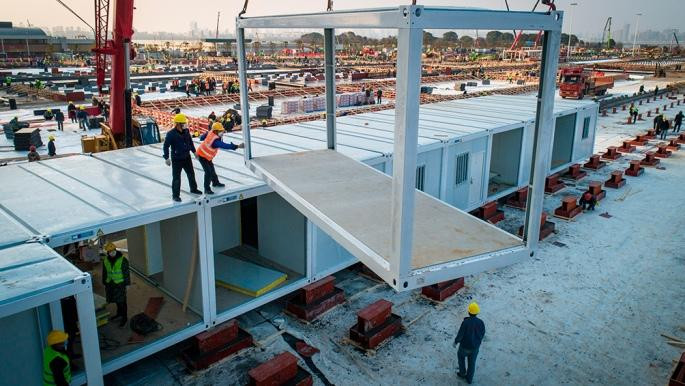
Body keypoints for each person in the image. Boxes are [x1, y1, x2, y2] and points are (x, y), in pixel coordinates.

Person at [163, 113, 202, 202]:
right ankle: (176, 195)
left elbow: (190, 142)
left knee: (191, 174)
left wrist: (194, 152)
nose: (185, 124)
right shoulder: (171, 134)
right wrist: (166, 158)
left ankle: (193, 189)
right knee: (176, 178)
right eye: (183, 123)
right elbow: (166, 146)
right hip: (177, 159)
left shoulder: (186, 131)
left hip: (186, 156)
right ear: (178, 124)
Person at [197, 122, 244, 194]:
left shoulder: (211, 132)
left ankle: (215, 183)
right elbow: (224, 145)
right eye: (220, 131)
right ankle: (207, 189)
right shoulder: (215, 141)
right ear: (216, 131)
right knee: (208, 172)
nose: (222, 132)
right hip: (202, 156)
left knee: (212, 169)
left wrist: (202, 138)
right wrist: (237, 146)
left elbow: (202, 137)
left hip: (206, 156)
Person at [453, 302, 485, 384]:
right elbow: (482, 334)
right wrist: (478, 342)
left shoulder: (465, 322)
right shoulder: (481, 322)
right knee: (472, 364)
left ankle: (462, 373)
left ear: (468, 312)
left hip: (464, 347)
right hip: (475, 348)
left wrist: (456, 341)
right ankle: (469, 379)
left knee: (461, 359)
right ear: (477, 312)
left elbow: (461, 334)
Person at [102, 242, 130, 327]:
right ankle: (119, 314)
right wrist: (104, 281)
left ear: (115, 250)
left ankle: (124, 318)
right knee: (116, 300)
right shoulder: (106, 260)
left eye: (113, 250)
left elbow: (126, 273)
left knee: (122, 301)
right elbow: (105, 272)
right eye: (110, 251)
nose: (112, 252)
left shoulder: (123, 260)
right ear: (107, 252)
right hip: (110, 284)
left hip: (120, 284)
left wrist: (127, 284)